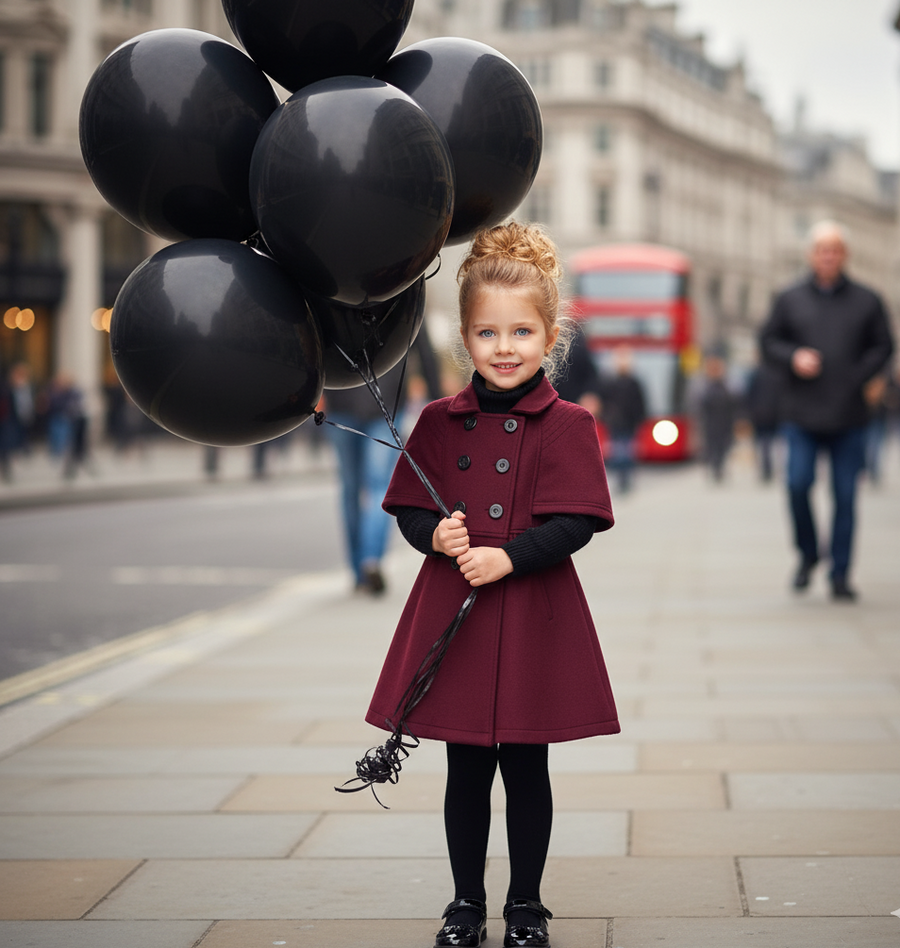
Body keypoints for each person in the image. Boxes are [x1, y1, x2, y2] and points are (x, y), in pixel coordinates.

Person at [365, 222, 618, 948]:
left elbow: (578, 520)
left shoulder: (568, 425)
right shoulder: (438, 422)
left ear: (550, 337)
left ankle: (529, 906)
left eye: (521, 333)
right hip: (460, 618)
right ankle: (465, 903)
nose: (504, 349)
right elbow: (413, 507)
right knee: (466, 767)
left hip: (533, 610)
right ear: (465, 340)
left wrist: (510, 557)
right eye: (487, 333)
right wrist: (435, 536)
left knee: (527, 768)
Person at [760, 220, 894, 600]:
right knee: (797, 483)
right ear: (812, 255)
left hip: (850, 415)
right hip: (801, 413)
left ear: (844, 255)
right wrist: (793, 357)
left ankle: (840, 572)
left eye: (835, 250)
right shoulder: (790, 298)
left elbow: (883, 346)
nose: (828, 256)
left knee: (846, 496)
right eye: (822, 250)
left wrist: (858, 375)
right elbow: (768, 341)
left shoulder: (868, 300)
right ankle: (807, 553)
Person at [325, 328, 441, 596]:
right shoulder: (400, 288)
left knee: (350, 489)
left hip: (341, 400)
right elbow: (423, 347)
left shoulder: (335, 289)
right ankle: (371, 560)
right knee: (379, 486)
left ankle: (357, 570)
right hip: (385, 402)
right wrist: (438, 403)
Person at [599, 344, 646, 492]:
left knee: (627, 451)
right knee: (618, 452)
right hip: (616, 423)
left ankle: (626, 479)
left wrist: (640, 418)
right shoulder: (611, 382)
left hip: (629, 422)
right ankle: (621, 480)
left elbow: (640, 403)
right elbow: (604, 402)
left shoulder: (634, 382)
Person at [697, 353, 738, 482]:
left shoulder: (727, 385)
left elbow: (735, 404)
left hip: (724, 422)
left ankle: (718, 468)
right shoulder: (704, 386)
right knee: (713, 447)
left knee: (723, 447)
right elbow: (699, 405)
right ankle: (716, 469)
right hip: (711, 422)